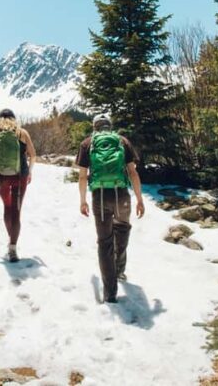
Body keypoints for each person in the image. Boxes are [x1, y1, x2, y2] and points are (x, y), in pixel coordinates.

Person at [75, 113, 145, 303]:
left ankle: (110, 293)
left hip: (100, 197)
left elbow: (82, 176)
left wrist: (83, 200)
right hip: (121, 194)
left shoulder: (87, 143)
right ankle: (120, 270)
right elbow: (133, 172)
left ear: (95, 127)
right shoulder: (122, 141)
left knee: (105, 242)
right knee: (122, 230)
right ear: (110, 126)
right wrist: (139, 199)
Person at [0, 109, 36, 262]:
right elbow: (33, 155)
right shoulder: (22, 133)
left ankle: (10, 240)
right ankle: (12, 246)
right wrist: (29, 171)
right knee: (16, 211)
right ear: (14, 118)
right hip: (20, 176)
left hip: (1, 177)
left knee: (7, 208)